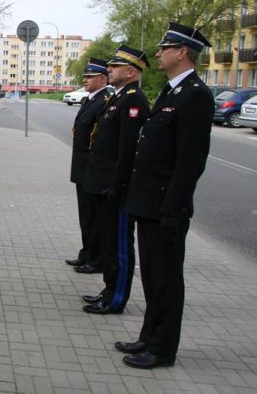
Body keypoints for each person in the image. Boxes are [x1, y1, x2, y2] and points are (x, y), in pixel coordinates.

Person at [117, 23, 214, 369]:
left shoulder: (196, 95)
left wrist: (174, 209)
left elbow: (190, 162)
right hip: (149, 202)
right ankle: (148, 336)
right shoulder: (172, 92)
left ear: (182, 52)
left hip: (165, 207)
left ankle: (162, 349)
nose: (158, 53)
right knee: (152, 276)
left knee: (166, 279)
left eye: (164, 47)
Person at [81, 45, 149, 315]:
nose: (109, 69)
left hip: (115, 186)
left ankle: (116, 297)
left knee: (118, 246)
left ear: (131, 72)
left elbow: (127, 148)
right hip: (103, 183)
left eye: (115, 67)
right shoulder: (118, 97)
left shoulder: (133, 100)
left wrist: (117, 184)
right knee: (108, 243)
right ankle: (108, 290)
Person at [66, 58, 111, 272]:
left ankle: (96, 259)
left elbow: (99, 139)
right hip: (82, 168)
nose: (85, 80)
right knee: (86, 215)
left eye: (90, 77)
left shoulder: (104, 101)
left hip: (92, 170)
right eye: (85, 76)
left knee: (94, 218)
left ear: (102, 79)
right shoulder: (90, 100)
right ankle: (86, 253)